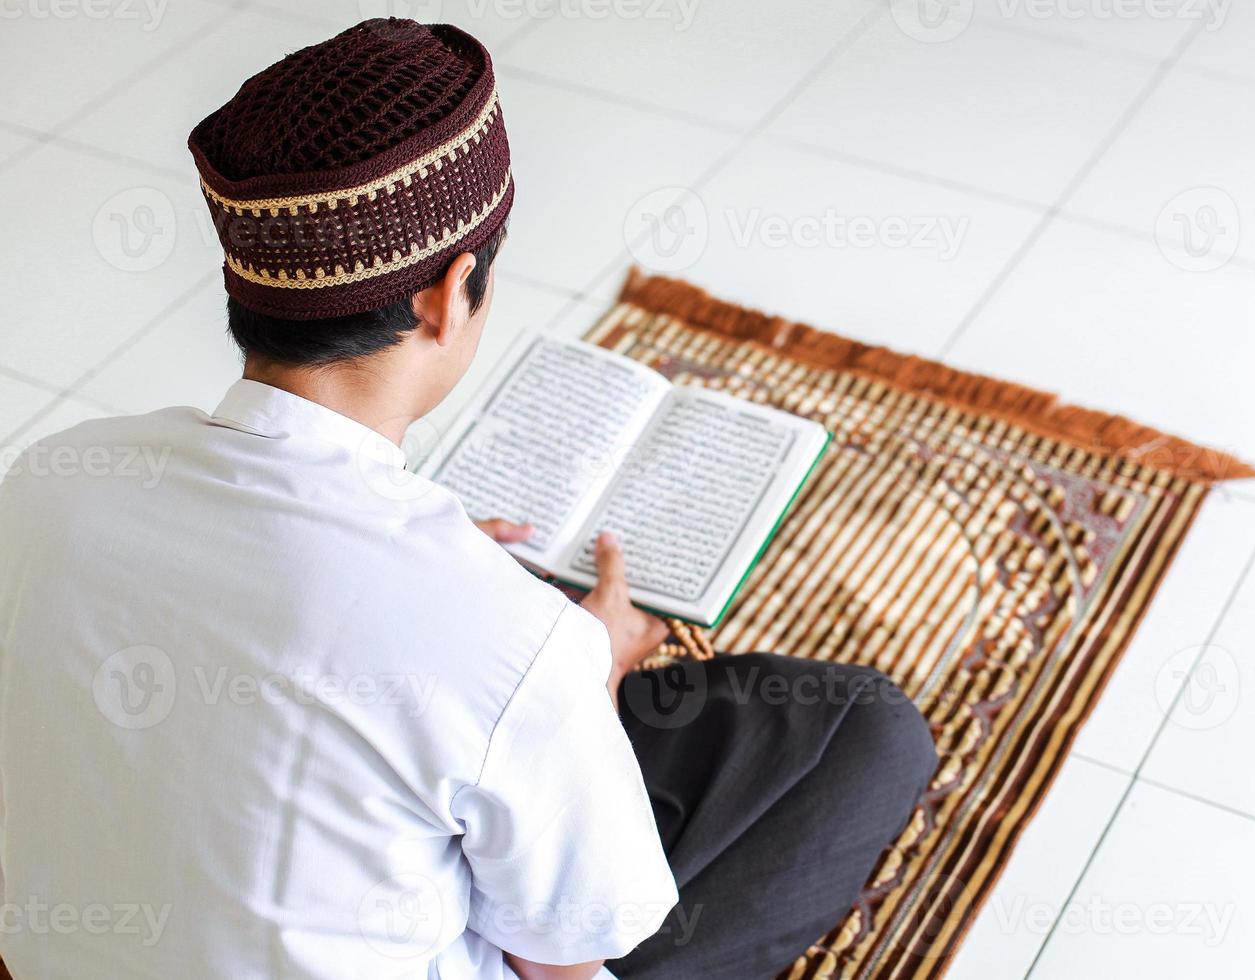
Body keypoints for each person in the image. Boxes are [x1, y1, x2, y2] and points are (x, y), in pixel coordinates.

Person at [0, 19, 935, 980]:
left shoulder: (47, 483)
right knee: (867, 731)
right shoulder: (509, 643)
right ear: (449, 296)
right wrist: (583, 685)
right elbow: (564, 958)